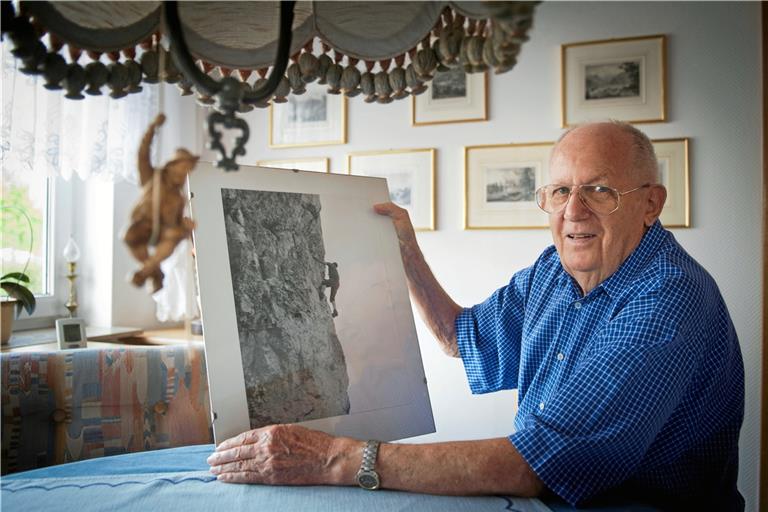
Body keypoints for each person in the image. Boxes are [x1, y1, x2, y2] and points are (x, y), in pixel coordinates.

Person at [206, 122, 744, 511]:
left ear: (651, 203)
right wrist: (408, 258)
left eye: (599, 191)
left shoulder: (669, 299)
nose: (573, 211)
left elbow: (536, 465)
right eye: (559, 191)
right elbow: (461, 337)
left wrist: (334, 458)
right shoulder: (552, 271)